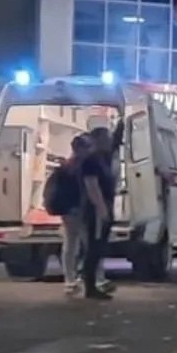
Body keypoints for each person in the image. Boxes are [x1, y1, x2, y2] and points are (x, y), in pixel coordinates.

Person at [54, 135, 108, 295]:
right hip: (81, 210)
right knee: (91, 245)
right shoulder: (85, 165)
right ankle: (97, 278)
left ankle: (70, 280)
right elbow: (91, 188)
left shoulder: (65, 166)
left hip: (67, 211)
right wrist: (101, 208)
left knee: (70, 245)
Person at [78, 127, 117, 301]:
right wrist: (101, 208)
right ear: (98, 140)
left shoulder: (102, 158)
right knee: (93, 248)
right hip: (94, 210)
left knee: (98, 248)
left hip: (102, 207)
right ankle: (90, 287)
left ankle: (92, 285)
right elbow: (92, 186)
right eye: (106, 138)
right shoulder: (91, 160)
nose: (109, 141)